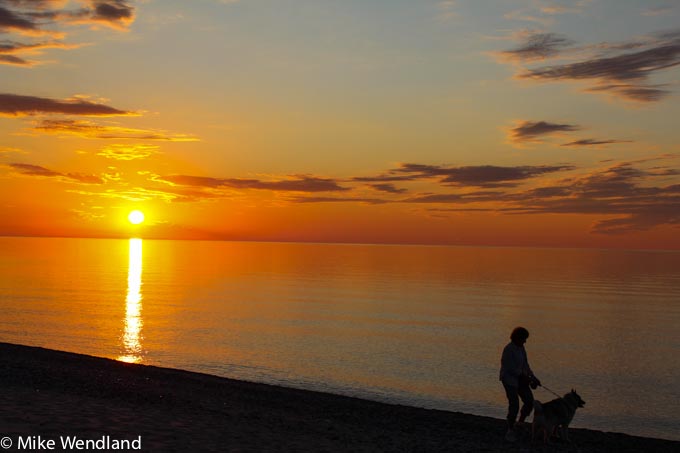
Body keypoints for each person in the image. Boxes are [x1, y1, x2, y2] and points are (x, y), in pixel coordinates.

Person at [499, 326, 541, 442]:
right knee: (514, 404)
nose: (525, 341)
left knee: (529, 401)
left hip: (521, 379)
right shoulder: (508, 349)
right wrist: (525, 378)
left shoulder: (521, 348)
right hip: (509, 379)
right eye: (524, 339)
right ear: (518, 337)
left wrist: (533, 377)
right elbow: (510, 368)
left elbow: (525, 365)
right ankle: (510, 428)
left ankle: (520, 423)